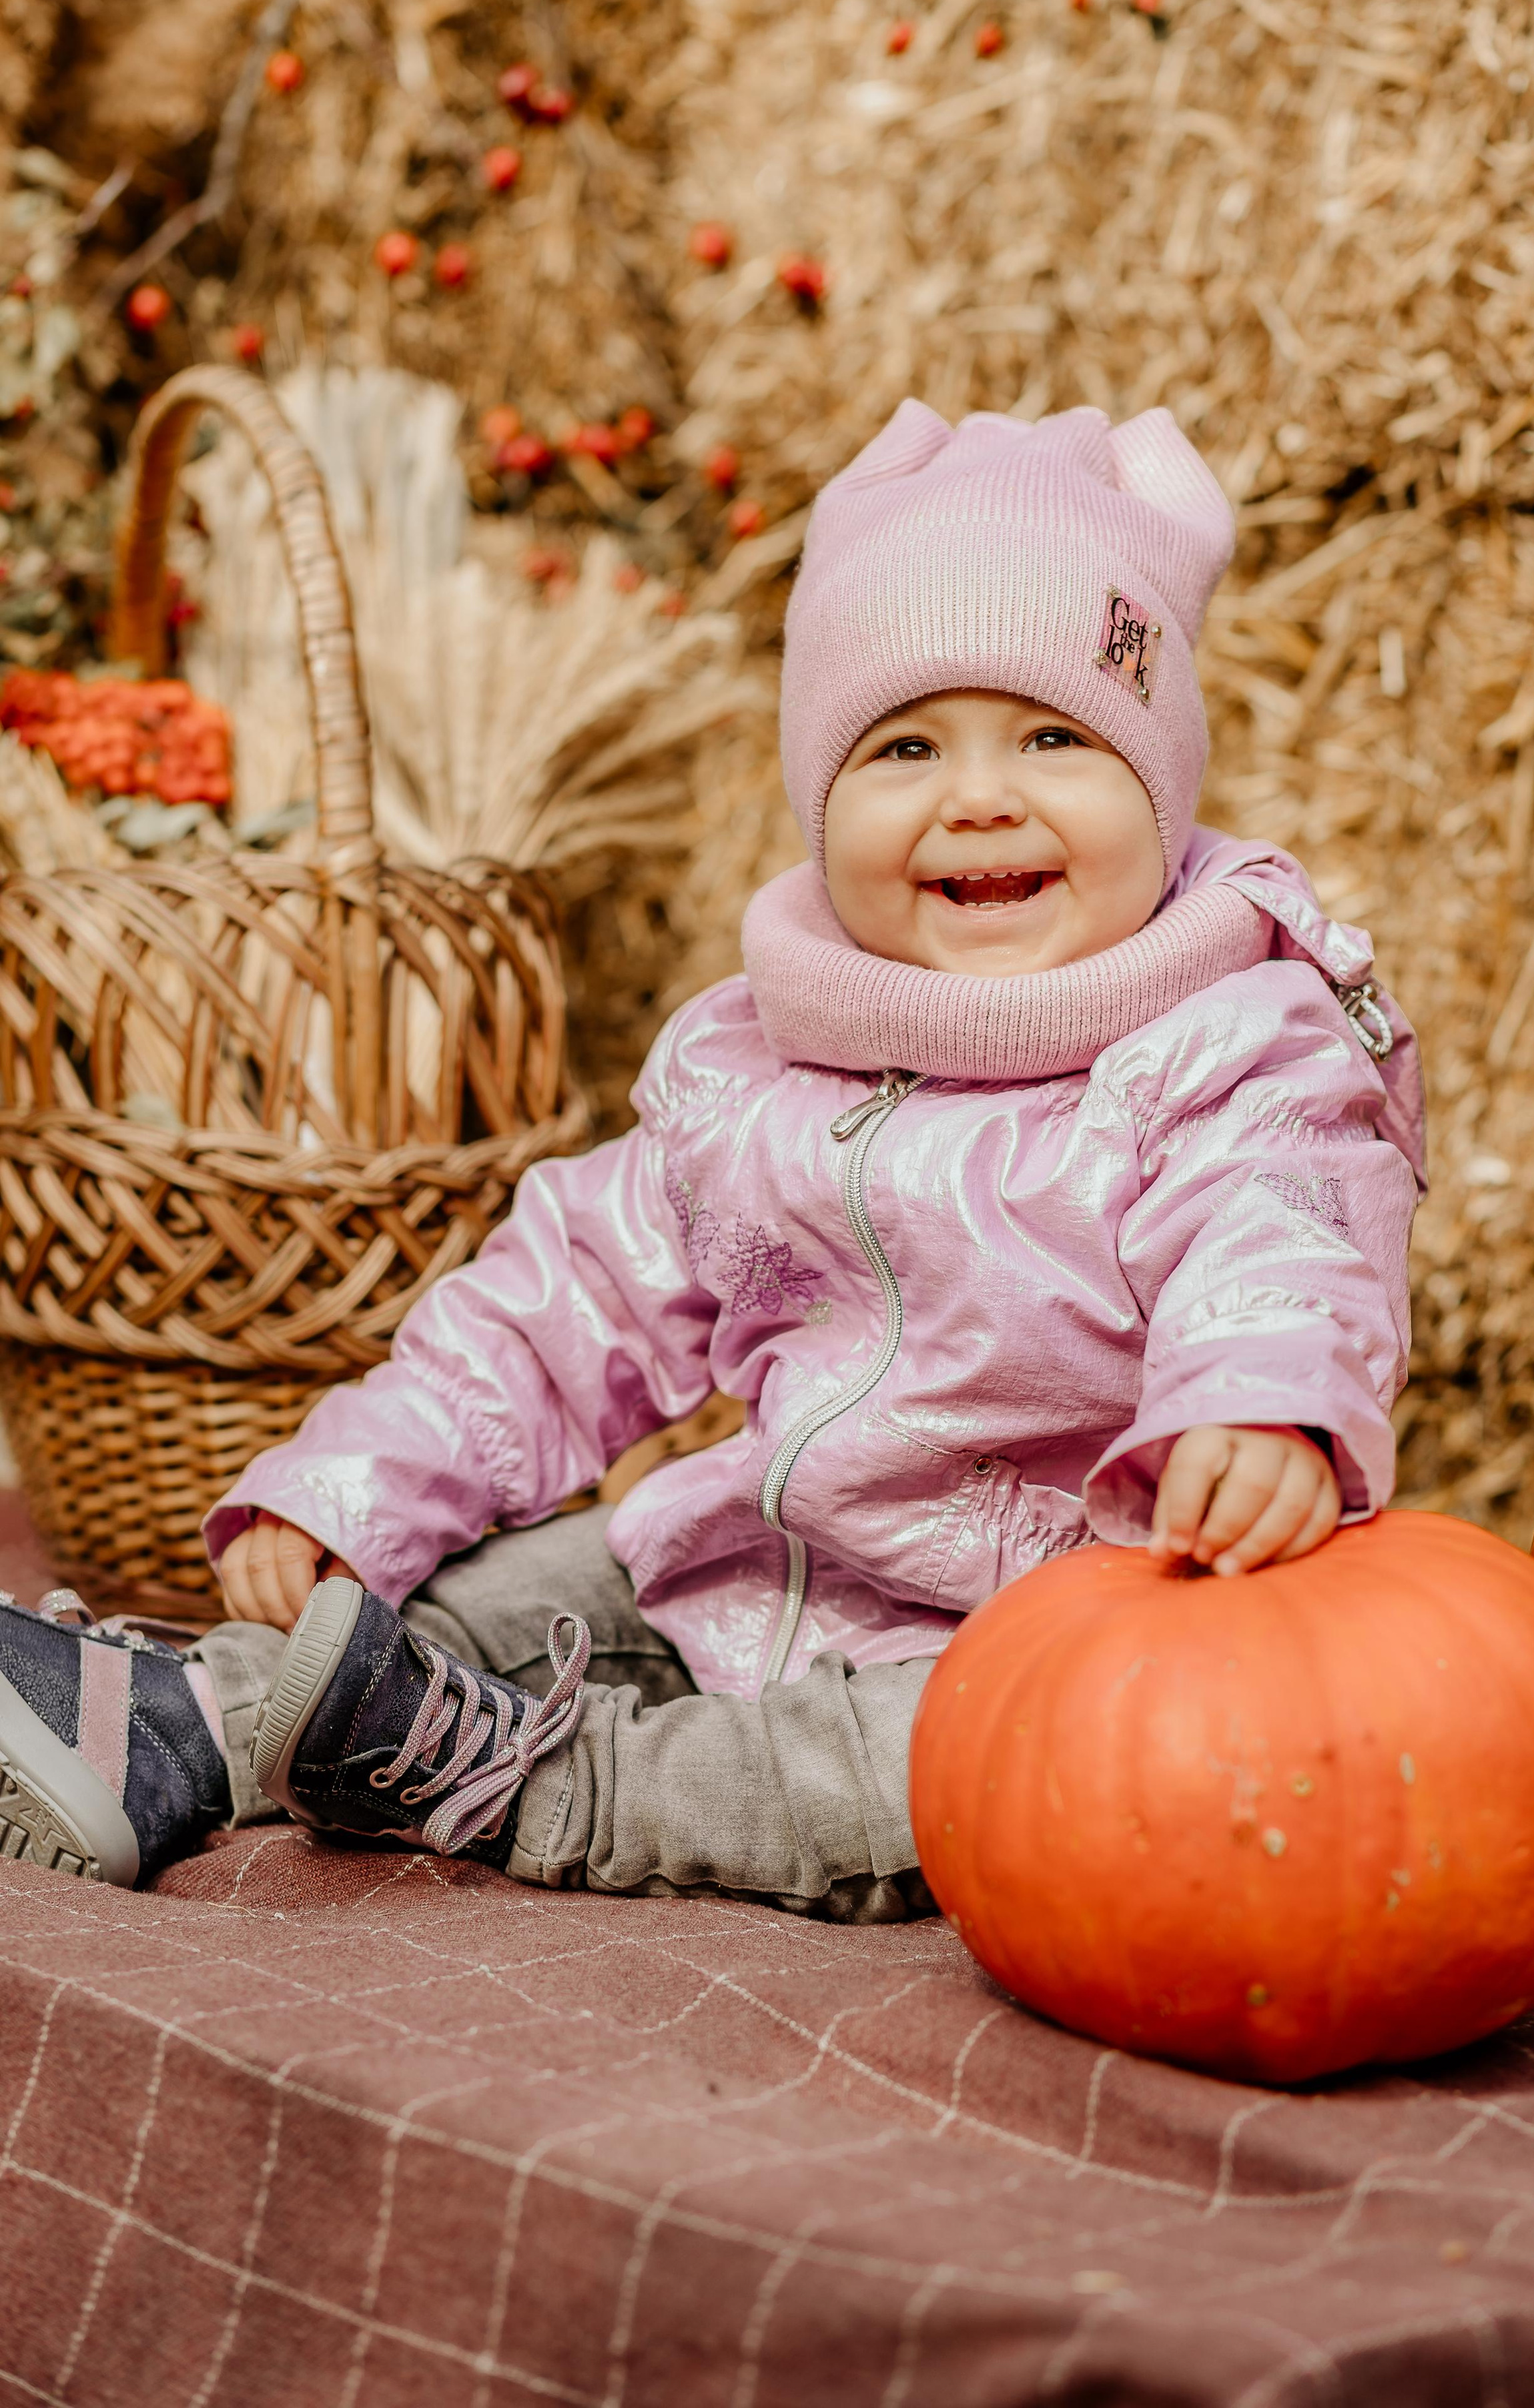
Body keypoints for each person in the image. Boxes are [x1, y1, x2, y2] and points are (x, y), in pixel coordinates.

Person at [0, 402, 1425, 1910]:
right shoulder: (753, 1061)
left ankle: (531, 1784)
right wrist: (353, 1488)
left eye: (1056, 735)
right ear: (819, 806)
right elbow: (562, 1306)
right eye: (905, 744)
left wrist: (1262, 1411)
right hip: (757, 1568)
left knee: (902, 1772)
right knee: (497, 1589)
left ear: (1161, 779)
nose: (979, 793)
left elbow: (1284, 1229)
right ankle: (188, 1720)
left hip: (1051, 1642)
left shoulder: (1229, 1048)